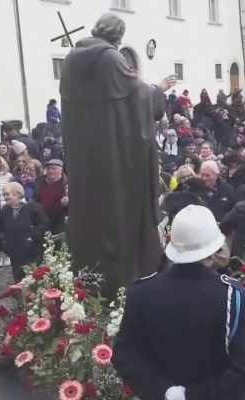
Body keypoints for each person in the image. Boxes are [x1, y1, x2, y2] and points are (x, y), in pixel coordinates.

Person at [61, 14, 172, 298]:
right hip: (114, 158)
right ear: (117, 37)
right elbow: (138, 96)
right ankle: (118, 282)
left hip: (84, 157)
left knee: (89, 215)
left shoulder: (72, 59)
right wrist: (159, 89)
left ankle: (87, 279)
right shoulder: (110, 58)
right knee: (117, 215)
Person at [113, 205, 245, 400]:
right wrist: (192, 395)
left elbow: (125, 354)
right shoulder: (234, 296)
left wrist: (164, 391)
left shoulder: (141, 292)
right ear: (213, 249)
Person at [0, 182, 49, 282]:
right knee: (18, 282)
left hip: (32, 253)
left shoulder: (33, 207)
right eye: (4, 194)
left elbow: (44, 224)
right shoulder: (5, 210)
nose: (5, 197)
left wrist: (32, 237)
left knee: (33, 281)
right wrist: (4, 243)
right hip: (15, 253)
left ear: (17, 194)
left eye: (8, 194)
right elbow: (0, 228)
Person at [34, 159, 68, 236]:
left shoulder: (66, 184)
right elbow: (35, 199)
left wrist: (67, 202)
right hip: (41, 220)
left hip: (58, 221)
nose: (51, 171)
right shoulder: (39, 182)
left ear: (61, 170)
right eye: (48, 169)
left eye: (54, 168)